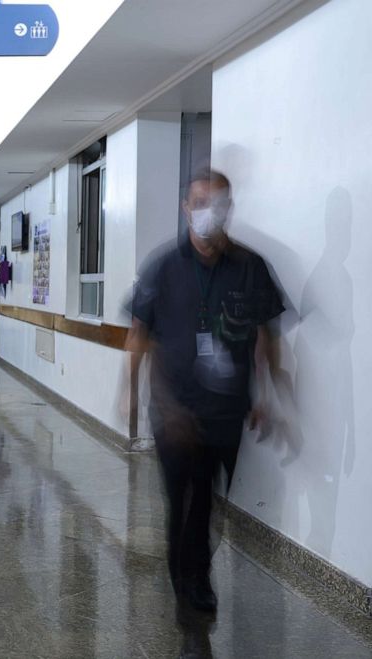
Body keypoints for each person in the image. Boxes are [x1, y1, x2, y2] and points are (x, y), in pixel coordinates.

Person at [122, 170, 284, 612]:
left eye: (216, 204)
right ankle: (188, 589)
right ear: (185, 208)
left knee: (208, 500)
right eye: (198, 203)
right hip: (173, 410)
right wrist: (130, 393)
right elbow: (139, 331)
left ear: (229, 209)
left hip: (227, 410)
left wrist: (268, 396)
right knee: (183, 499)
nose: (207, 213)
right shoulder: (163, 266)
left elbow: (266, 334)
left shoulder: (250, 268)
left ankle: (196, 573)